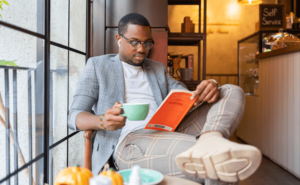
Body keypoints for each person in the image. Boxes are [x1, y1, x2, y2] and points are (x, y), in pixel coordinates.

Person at [68, 13, 261, 185]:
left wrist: (208, 87)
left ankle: (211, 137)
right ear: (119, 39)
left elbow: (184, 94)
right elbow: (73, 116)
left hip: (166, 129)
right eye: (134, 42)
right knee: (216, 160)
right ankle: (208, 147)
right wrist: (102, 121)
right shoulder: (98, 65)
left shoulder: (156, 68)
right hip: (130, 142)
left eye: (147, 43)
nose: (142, 49)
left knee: (230, 91)